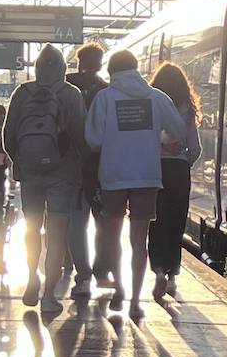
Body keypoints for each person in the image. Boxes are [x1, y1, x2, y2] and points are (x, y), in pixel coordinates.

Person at [85, 50, 186, 318]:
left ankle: (119, 288)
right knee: (139, 241)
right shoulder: (156, 97)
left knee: (113, 236)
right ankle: (135, 303)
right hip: (147, 176)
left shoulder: (105, 98)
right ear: (137, 68)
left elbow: (93, 140)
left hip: (113, 177)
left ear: (112, 72)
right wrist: (158, 138)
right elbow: (178, 130)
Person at [4, 45, 86, 315]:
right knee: (56, 232)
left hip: (30, 174)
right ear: (63, 69)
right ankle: (49, 295)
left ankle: (31, 276)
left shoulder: (22, 93)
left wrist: (18, 161)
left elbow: (9, 133)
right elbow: (81, 136)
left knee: (31, 228)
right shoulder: (71, 95)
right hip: (62, 174)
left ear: (37, 69)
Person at [146, 62, 202, 301]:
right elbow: (196, 149)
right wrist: (183, 160)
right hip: (179, 172)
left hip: (154, 170)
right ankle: (172, 277)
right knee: (176, 224)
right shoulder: (187, 110)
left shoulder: (151, 105)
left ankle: (158, 270)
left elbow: (145, 139)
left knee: (156, 223)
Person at [64, 42, 109, 298]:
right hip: (100, 166)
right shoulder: (107, 91)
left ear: (78, 62)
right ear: (101, 63)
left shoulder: (66, 86)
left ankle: (82, 276)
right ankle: (101, 270)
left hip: (71, 165)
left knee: (76, 223)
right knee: (103, 222)